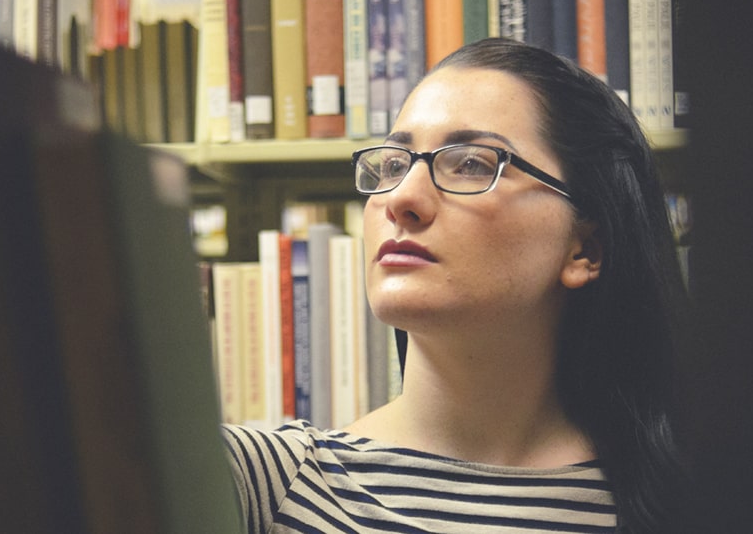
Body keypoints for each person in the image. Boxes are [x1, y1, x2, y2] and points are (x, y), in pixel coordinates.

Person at [222, 37, 688, 533]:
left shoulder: (698, 496)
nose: (401, 197)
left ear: (584, 250)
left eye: (471, 163)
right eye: (393, 164)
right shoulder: (266, 484)